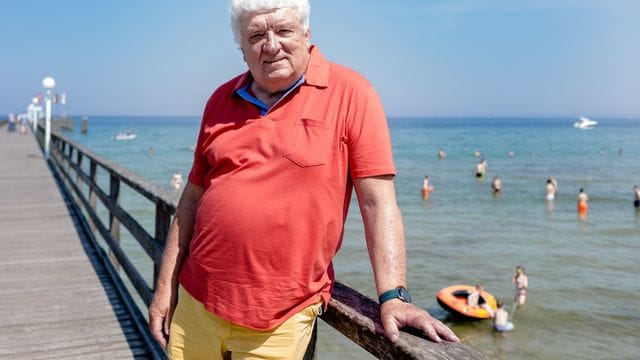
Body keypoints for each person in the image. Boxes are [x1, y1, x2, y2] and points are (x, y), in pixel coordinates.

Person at [148, 1, 459, 358]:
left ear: (306, 34)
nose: (270, 44)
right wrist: (165, 288)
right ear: (242, 49)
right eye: (255, 35)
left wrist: (393, 296)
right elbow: (192, 197)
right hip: (196, 301)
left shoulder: (352, 93)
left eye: (283, 30)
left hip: (280, 318)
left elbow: (378, 203)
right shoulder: (220, 99)